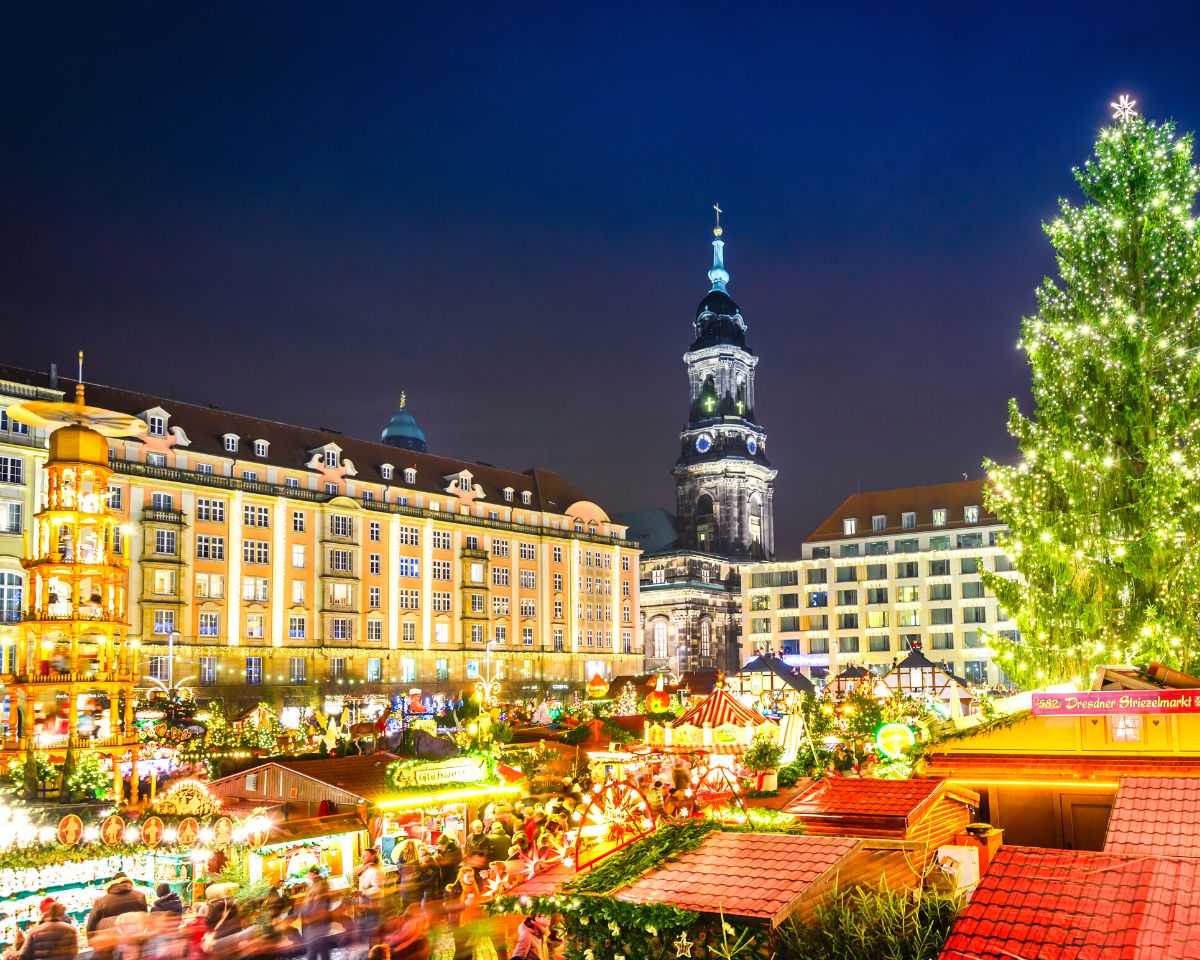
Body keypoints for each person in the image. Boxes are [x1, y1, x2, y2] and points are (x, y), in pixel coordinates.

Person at [85, 873, 147, 960]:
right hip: (134, 942)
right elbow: (144, 918)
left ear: (112, 884)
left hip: (112, 944)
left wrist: (94, 944)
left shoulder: (102, 901)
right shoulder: (140, 896)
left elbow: (91, 925)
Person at [297, 867, 333, 960]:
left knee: (315, 949)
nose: (308, 876)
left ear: (313, 873)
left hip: (317, 922)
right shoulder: (313, 885)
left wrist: (312, 917)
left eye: (309, 874)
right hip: (314, 922)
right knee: (321, 948)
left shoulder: (321, 885)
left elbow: (319, 903)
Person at [357, 848, 385, 940]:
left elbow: (377, 889)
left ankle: (377, 949)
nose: (363, 857)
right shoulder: (367, 868)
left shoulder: (377, 871)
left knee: (374, 930)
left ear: (373, 856)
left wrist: (364, 892)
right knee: (370, 929)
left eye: (366, 855)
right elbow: (352, 873)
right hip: (367, 904)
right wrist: (363, 866)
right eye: (363, 855)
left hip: (374, 904)